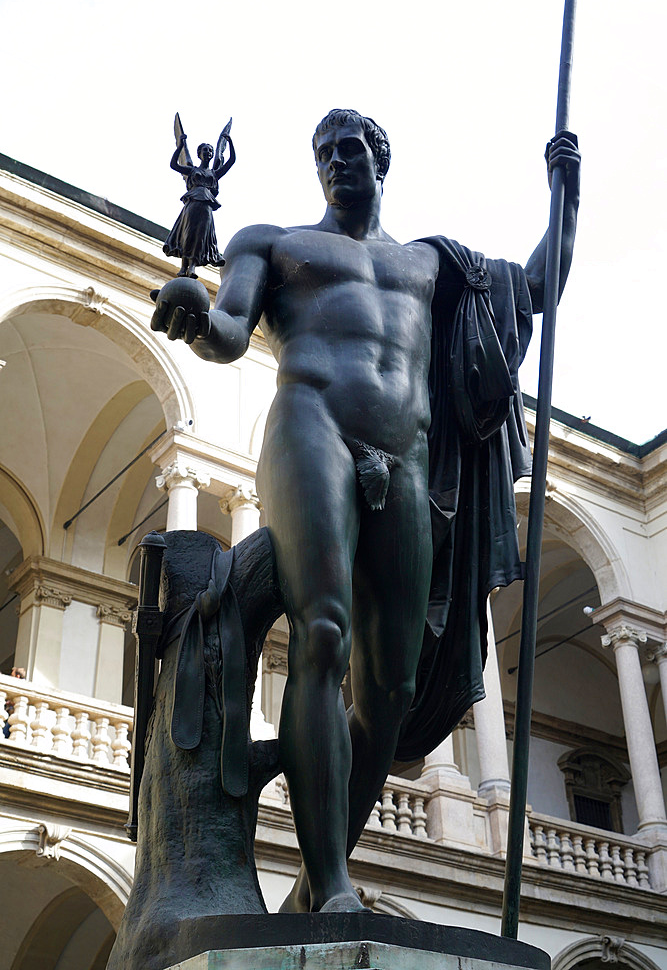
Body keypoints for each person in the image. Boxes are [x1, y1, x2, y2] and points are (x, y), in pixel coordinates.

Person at [151, 109, 580, 913]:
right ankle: (339, 885)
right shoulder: (274, 244)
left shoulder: (433, 264)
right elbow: (229, 330)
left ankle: (315, 887)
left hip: (408, 455)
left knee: (390, 684)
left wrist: (567, 194)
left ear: (381, 160)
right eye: (323, 153)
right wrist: (195, 317)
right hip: (312, 427)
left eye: (351, 149)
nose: (337, 162)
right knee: (321, 633)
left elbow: (535, 288)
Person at [163, 130, 236, 278]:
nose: (208, 152)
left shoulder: (214, 174)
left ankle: (193, 267)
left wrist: (230, 143)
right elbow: (174, 165)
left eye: (210, 150)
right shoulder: (192, 170)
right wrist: (180, 146)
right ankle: (183, 267)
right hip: (193, 203)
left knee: (200, 237)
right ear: (199, 154)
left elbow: (231, 161)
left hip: (206, 207)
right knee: (188, 234)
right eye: (205, 150)